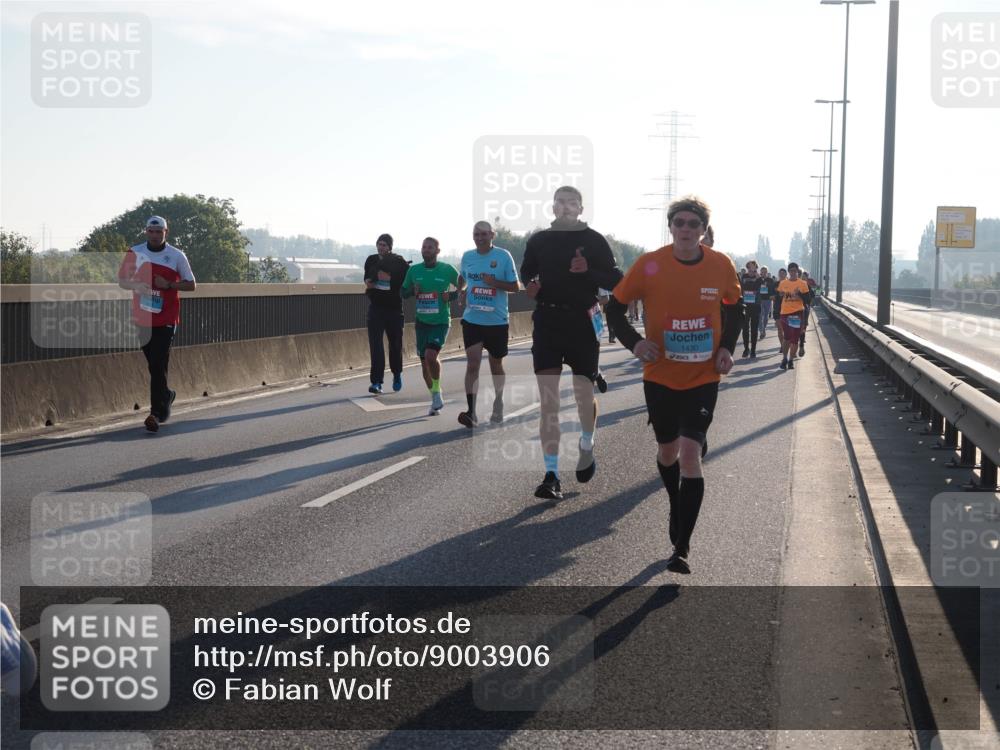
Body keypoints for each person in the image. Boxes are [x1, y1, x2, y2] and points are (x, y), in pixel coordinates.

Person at [606, 196, 743, 574]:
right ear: (671, 227)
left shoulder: (720, 265)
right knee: (667, 452)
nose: (685, 229)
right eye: (679, 223)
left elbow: (734, 308)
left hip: (703, 377)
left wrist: (727, 348)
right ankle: (674, 501)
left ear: (703, 230)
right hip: (660, 376)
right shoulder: (651, 265)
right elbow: (614, 308)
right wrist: (635, 343)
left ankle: (681, 546)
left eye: (692, 224)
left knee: (688, 454)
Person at [520, 186, 623, 500]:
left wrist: (588, 271)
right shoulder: (539, 240)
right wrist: (531, 285)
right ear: (553, 208)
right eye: (560, 202)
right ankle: (551, 475)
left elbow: (616, 279)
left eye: (571, 203)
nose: (565, 207)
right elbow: (526, 271)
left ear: (580, 208)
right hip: (549, 322)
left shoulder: (593, 240)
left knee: (582, 395)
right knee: (548, 402)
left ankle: (586, 443)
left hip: (581, 322)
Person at [117, 216, 196, 433]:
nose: (154, 235)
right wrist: (136, 285)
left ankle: (155, 413)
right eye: (151, 231)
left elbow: (191, 285)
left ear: (165, 233)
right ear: (146, 232)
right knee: (154, 364)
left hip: (167, 318)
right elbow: (122, 280)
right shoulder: (135, 252)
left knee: (157, 363)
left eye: (158, 231)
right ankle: (166, 395)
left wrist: (169, 284)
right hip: (142, 317)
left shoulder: (176, 255)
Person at [456, 222, 519, 427]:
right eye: (476, 234)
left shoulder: (503, 256)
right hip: (472, 319)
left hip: (497, 321)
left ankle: (498, 402)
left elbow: (515, 287)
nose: (480, 237)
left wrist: (495, 283)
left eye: (484, 234)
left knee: (496, 364)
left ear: (492, 235)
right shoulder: (467, 256)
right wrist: (461, 290)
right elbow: (462, 277)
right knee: (473, 364)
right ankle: (471, 412)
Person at [401, 238, 462, 415]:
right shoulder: (414, 270)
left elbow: (462, 284)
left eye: (430, 247)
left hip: (441, 321)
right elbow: (403, 293)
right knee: (424, 364)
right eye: (424, 247)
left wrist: (451, 296)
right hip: (422, 322)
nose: (426, 250)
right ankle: (435, 396)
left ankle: (436, 392)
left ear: (437, 250)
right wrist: (413, 291)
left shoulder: (447, 269)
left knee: (430, 355)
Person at [363, 233, 411, 394]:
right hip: (376, 308)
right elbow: (367, 280)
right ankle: (376, 382)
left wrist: (389, 279)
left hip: (394, 310)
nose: (381, 247)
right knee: (376, 346)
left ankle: (397, 374)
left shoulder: (399, 262)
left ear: (390, 247)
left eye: (384, 244)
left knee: (395, 345)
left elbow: (406, 283)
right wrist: (371, 281)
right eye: (379, 244)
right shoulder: (371, 260)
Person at [776, 262, 813, 370]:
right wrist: (776, 313)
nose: (793, 273)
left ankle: (791, 360)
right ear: (789, 272)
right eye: (791, 271)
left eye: (795, 271)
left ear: (797, 272)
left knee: (795, 339)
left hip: (797, 313)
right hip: (785, 313)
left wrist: (799, 294)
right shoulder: (783, 283)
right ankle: (784, 359)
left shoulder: (802, 284)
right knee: (787, 337)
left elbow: (808, 300)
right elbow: (779, 298)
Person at [739, 260, 761, 358]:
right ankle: (746, 348)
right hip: (746, 305)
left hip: (756, 305)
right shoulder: (744, 277)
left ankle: (753, 350)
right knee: (745, 328)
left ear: (756, 267)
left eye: (752, 266)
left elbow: (760, 287)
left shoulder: (759, 277)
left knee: (754, 328)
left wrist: (757, 276)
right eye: (749, 266)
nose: (750, 268)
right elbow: (742, 288)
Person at [800, 271, 818, 356]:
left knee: (804, 324)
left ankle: (802, 337)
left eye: (805, 277)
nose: (803, 278)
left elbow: (815, 292)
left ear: (807, 277)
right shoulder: (797, 284)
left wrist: (813, 302)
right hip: (795, 308)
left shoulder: (809, 284)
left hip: (806, 307)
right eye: (802, 277)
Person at [772, 267, 787, 349]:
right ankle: (782, 346)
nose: (781, 275)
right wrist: (776, 296)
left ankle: (787, 344)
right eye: (780, 274)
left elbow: (793, 295)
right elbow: (771, 296)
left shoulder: (790, 284)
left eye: (783, 274)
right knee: (780, 329)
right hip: (777, 309)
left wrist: (785, 294)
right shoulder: (775, 284)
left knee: (786, 330)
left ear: (786, 275)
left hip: (788, 309)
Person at [757, 266, 774, 339]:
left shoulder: (770, 280)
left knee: (766, 317)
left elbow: (773, 289)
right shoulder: (758, 280)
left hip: (768, 300)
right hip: (760, 300)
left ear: (767, 272)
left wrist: (772, 296)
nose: (763, 273)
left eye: (765, 272)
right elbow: (755, 288)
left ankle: (764, 328)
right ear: (760, 272)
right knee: (760, 316)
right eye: (762, 272)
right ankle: (761, 331)